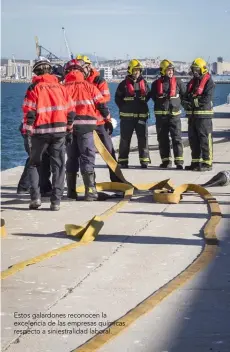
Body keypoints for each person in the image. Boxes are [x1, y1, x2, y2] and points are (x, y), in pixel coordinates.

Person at [22, 58, 75, 211]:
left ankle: (35, 198)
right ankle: (56, 201)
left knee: (34, 164)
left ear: (36, 72)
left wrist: (27, 131)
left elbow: (29, 112)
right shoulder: (62, 87)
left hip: (40, 133)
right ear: (50, 71)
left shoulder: (34, 88)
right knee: (59, 166)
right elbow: (71, 112)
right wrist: (69, 129)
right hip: (59, 132)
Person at [64, 59, 110, 201]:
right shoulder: (89, 86)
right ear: (81, 71)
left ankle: (71, 192)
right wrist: (107, 119)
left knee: (72, 158)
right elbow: (101, 105)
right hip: (86, 127)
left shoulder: (63, 88)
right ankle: (90, 192)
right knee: (87, 157)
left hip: (69, 129)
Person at [76, 54, 120, 182]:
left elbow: (105, 98)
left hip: (99, 122)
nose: (79, 71)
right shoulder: (78, 81)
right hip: (84, 122)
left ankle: (117, 180)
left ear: (88, 67)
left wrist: (90, 98)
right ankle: (90, 183)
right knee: (86, 154)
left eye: (81, 68)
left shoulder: (99, 80)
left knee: (109, 151)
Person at [115, 59, 151, 168]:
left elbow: (148, 95)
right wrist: (125, 107)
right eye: (135, 70)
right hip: (127, 119)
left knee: (143, 139)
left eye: (138, 70)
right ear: (130, 70)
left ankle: (144, 161)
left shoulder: (144, 83)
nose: (137, 72)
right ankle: (123, 161)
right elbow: (117, 99)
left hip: (141, 117)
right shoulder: (123, 85)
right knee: (125, 140)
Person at [150, 59, 186, 169]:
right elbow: (153, 97)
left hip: (174, 116)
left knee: (177, 138)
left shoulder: (179, 83)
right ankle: (166, 162)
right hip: (161, 117)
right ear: (163, 71)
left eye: (171, 70)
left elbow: (185, 96)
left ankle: (179, 162)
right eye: (168, 70)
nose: (170, 72)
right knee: (162, 139)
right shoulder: (155, 84)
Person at [183, 58, 215, 171]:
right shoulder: (192, 82)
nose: (195, 71)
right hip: (192, 116)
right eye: (193, 69)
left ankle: (207, 162)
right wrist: (187, 103)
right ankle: (195, 162)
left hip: (204, 116)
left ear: (202, 69)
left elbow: (206, 98)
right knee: (193, 140)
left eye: (197, 69)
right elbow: (186, 97)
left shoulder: (209, 82)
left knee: (205, 139)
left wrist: (193, 101)